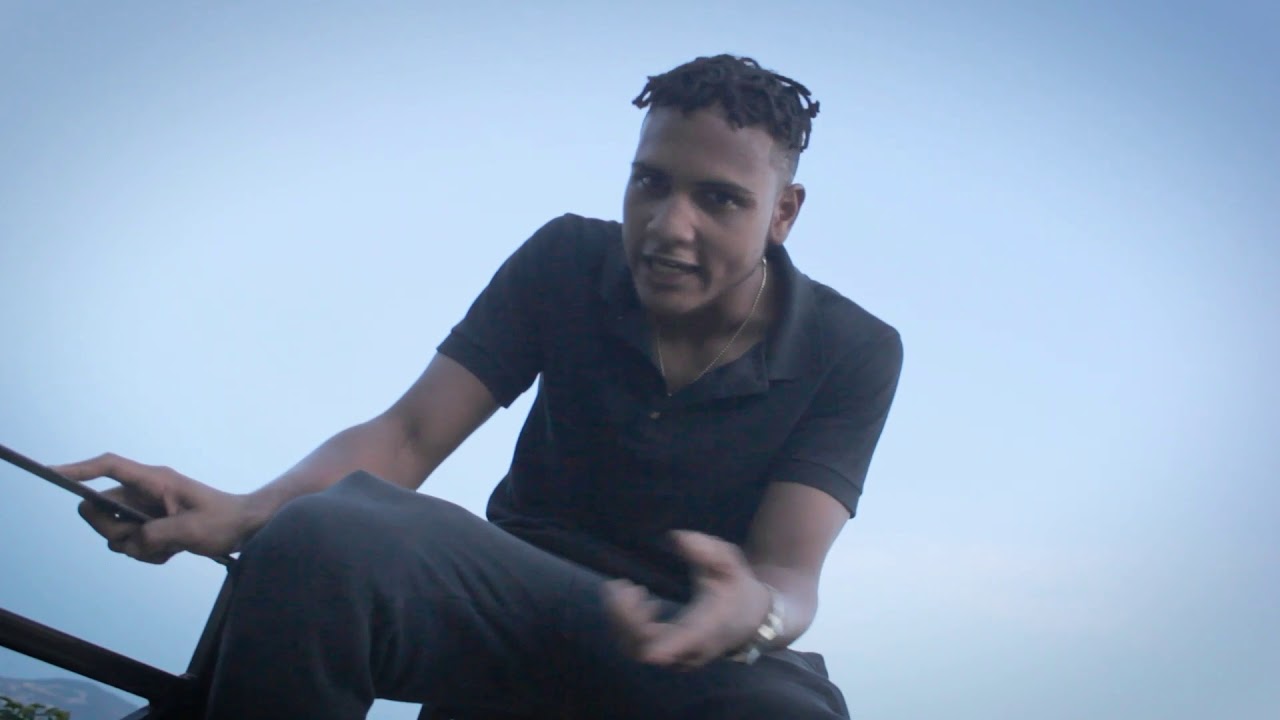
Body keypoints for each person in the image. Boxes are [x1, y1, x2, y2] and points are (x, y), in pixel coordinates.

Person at [55, 54, 904, 719]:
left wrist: (750, 615)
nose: (668, 225)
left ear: (783, 212)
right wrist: (247, 510)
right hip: (506, 601)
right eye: (651, 182)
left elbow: (788, 574)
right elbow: (409, 436)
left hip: (686, 649)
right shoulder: (566, 257)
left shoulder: (855, 349)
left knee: (790, 710)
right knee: (326, 533)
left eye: (718, 200)